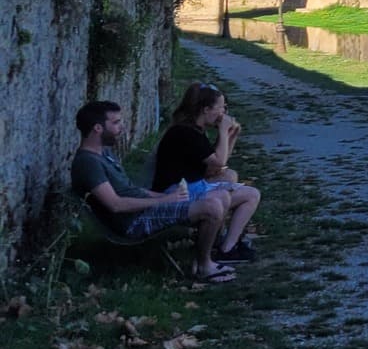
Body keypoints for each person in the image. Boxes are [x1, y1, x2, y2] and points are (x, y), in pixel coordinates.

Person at [72, 101, 237, 284]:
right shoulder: (88, 163)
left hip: (143, 209)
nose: (122, 127)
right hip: (133, 222)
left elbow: (132, 190)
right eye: (116, 123)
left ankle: (210, 250)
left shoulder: (104, 153)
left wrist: (165, 197)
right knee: (212, 207)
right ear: (97, 128)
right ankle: (204, 266)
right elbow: (115, 205)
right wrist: (164, 200)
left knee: (221, 195)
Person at [152, 82, 263, 262]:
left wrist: (231, 135)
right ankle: (227, 249)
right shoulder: (187, 134)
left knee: (230, 175)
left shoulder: (192, 129)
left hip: (186, 187)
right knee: (251, 195)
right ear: (206, 109)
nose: (223, 113)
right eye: (221, 108)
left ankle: (222, 241)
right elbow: (219, 161)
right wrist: (222, 130)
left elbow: (217, 166)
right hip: (176, 195)